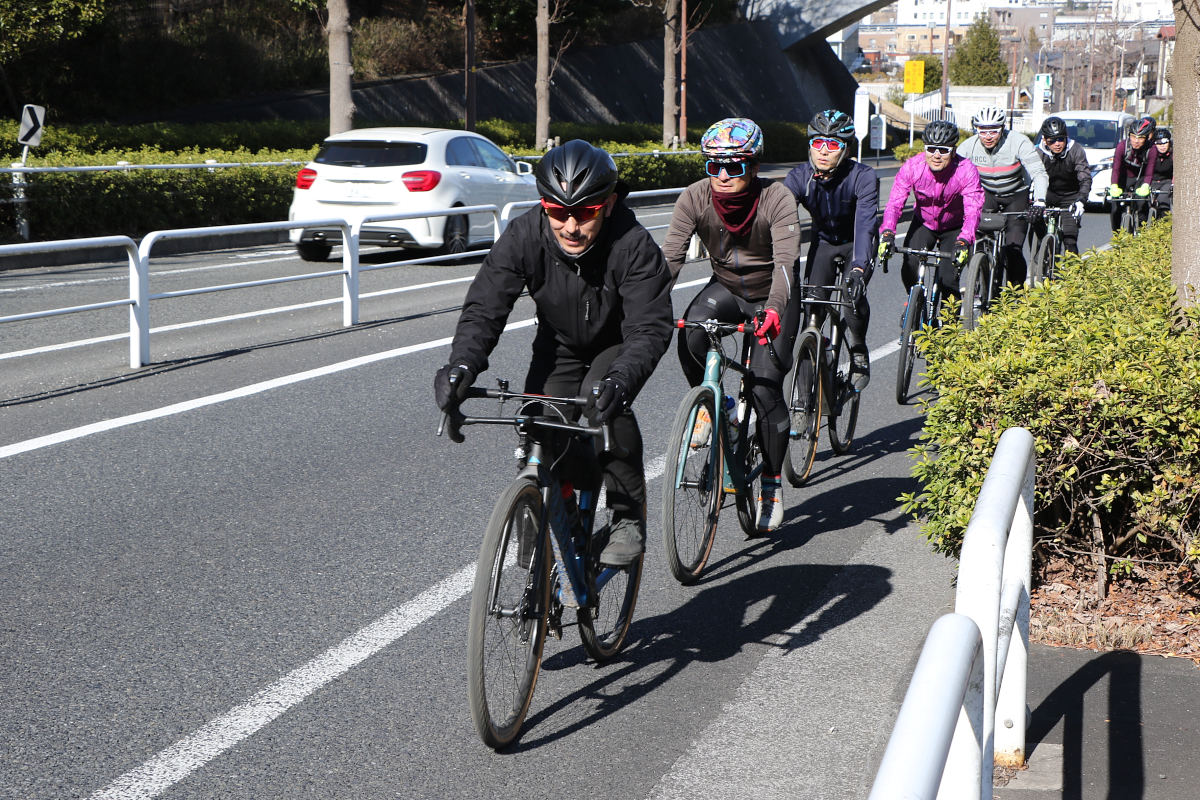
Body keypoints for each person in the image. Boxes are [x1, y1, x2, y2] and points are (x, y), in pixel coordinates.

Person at [433, 139, 674, 566]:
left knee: (606, 410)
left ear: (609, 203)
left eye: (585, 213)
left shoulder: (634, 245)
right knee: (537, 431)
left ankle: (626, 516)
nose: (570, 226)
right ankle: (538, 554)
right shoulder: (525, 233)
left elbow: (648, 328)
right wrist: (462, 365)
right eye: (557, 211)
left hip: (615, 345)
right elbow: (486, 305)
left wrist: (622, 378)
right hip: (558, 347)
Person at [661, 117, 800, 533]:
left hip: (773, 295)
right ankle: (716, 407)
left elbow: (786, 267)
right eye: (714, 166)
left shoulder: (777, 198)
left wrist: (774, 309)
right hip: (725, 287)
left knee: (763, 386)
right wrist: (645, 302)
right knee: (690, 331)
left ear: (753, 167)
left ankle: (772, 484)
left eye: (734, 167)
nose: (722, 175)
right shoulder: (694, 198)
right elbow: (670, 259)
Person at [782, 109, 880, 391]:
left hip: (855, 244)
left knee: (852, 297)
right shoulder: (799, 177)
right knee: (811, 313)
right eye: (817, 143)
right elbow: (780, 220)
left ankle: (859, 349)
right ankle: (803, 398)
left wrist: (860, 267)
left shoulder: (862, 176)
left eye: (833, 144)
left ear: (846, 149)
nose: (823, 151)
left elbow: (864, 226)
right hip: (823, 242)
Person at [878, 119, 984, 307]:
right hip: (924, 222)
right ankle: (915, 306)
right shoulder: (913, 167)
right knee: (910, 265)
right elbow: (895, 203)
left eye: (943, 150)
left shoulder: (966, 170)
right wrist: (887, 232)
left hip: (954, 227)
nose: (936, 155)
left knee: (947, 281)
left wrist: (965, 239)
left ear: (953, 150)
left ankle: (949, 333)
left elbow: (973, 209)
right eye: (931, 149)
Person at [956, 105, 1049, 287]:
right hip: (987, 194)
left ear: (1002, 129)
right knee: (976, 240)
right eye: (982, 131)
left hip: (1016, 194)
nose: (988, 136)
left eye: (993, 131)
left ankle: (1015, 293)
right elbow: (954, 176)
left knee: (1013, 249)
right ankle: (981, 276)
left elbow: (1038, 173)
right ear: (976, 130)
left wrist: (1039, 201)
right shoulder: (968, 146)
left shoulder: (1018, 142)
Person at [1033, 116, 1092, 255]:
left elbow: (1085, 178)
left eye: (1061, 139)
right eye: (1052, 140)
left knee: (1070, 240)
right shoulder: (1038, 152)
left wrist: (1081, 199)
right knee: (1036, 226)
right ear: (1044, 139)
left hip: (1070, 197)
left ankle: (1073, 273)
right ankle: (1040, 259)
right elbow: (1030, 178)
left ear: (1066, 137)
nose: (1057, 144)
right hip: (1046, 195)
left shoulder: (1076, 150)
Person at [1107, 115, 1158, 232]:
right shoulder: (1122, 146)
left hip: (1141, 179)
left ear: (1146, 138)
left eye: (1140, 138)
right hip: (1124, 178)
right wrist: (1114, 185)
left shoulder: (1152, 150)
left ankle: (1140, 233)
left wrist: (1146, 186)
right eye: (1133, 137)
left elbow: (1150, 172)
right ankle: (1116, 235)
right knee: (1115, 208)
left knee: (1141, 205)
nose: (1136, 141)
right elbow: (1116, 168)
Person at [1150, 127, 1173, 214]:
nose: (1162, 146)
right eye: (1158, 143)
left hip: (1166, 181)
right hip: (1152, 181)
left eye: (1165, 142)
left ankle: (1163, 222)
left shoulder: (1172, 155)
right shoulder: (1150, 154)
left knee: (1163, 201)